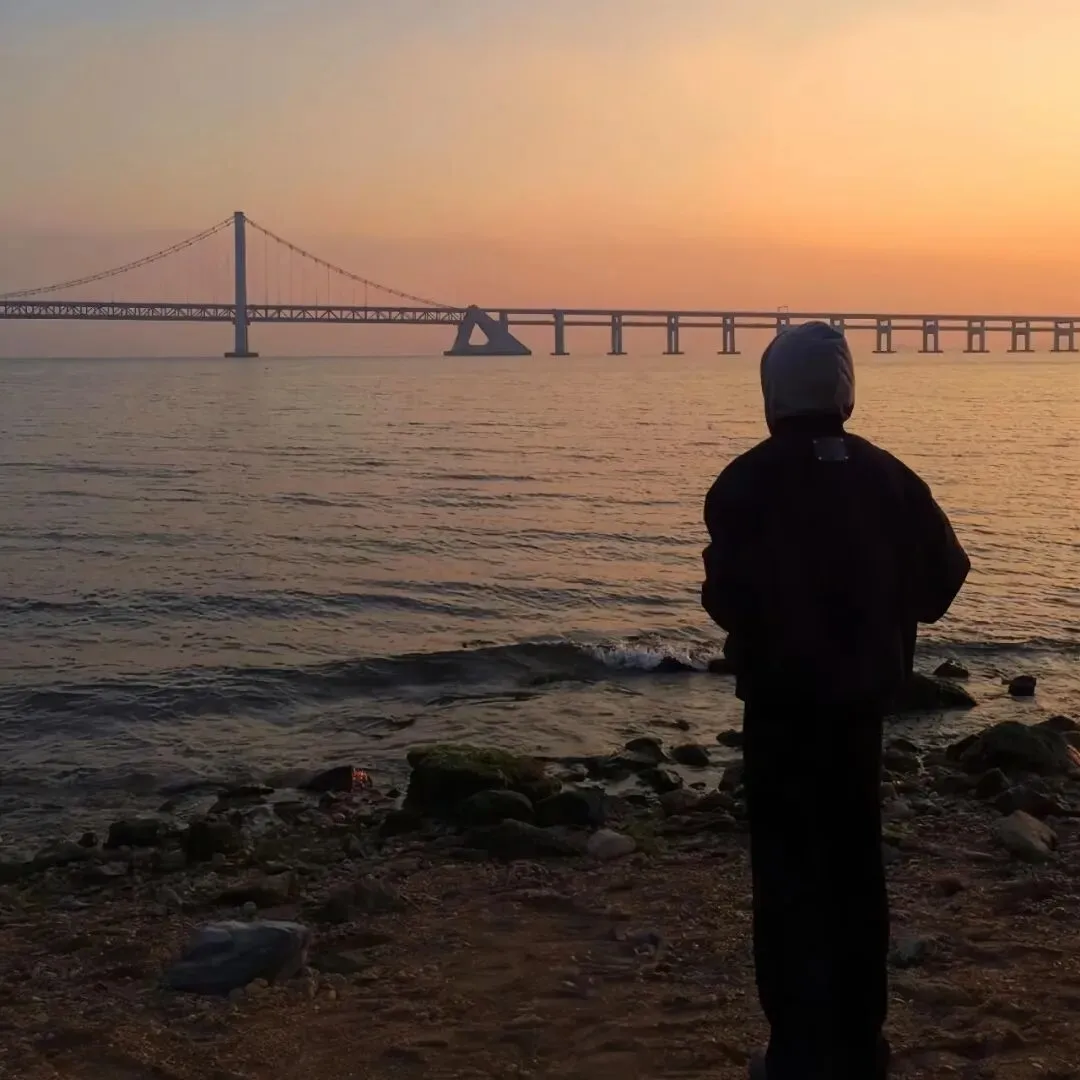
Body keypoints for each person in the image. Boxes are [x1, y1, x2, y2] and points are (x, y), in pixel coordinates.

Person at [700, 321, 970, 1080]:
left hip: (781, 711)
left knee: (788, 878)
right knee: (855, 874)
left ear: (772, 392)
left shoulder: (744, 481)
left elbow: (726, 600)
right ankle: (861, 1048)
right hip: (860, 711)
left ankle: (795, 1052)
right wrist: (881, 607)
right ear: (846, 391)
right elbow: (944, 581)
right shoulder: (892, 477)